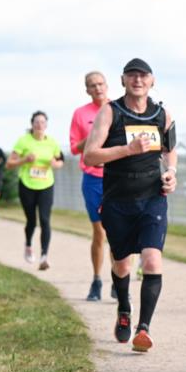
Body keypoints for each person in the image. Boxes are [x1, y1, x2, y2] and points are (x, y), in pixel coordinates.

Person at [83, 58, 177, 353]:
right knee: (122, 264)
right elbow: (90, 156)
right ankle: (124, 308)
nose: (138, 80)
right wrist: (127, 149)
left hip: (152, 197)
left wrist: (171, 174)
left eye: (143, 76)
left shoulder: (163, 114)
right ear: (123, 80)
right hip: (118, 200)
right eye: (132, 76)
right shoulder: (110, 112)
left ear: (152, 81)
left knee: (151, 259)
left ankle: (143, 329)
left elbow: (170, 152)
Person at [71, 71, 128, 302]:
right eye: (92, 85)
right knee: (100, 232)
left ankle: (119, 279)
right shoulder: (80, 114)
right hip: (93, 178)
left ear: (107, 85)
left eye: (101, 84)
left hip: (117, 176)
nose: (98, 88)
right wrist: (94, 134)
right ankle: (96, 280)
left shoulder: (119, 109)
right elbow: (75, 149)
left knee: (121, 232)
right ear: (87, 90)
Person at [6, 111, 64, 270]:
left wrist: (55, 164)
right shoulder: (23, 141)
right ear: (32, 124)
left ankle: (44, 256)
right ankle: (28, 244)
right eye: (36, 122)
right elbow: (9, 163)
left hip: (46, 185)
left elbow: (60, 162)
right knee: (31, 220)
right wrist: (24, 159)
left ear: (46, 125)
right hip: (27, 185)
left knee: (45, 220)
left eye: (43, 122)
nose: (39, 125)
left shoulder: (52, 142)